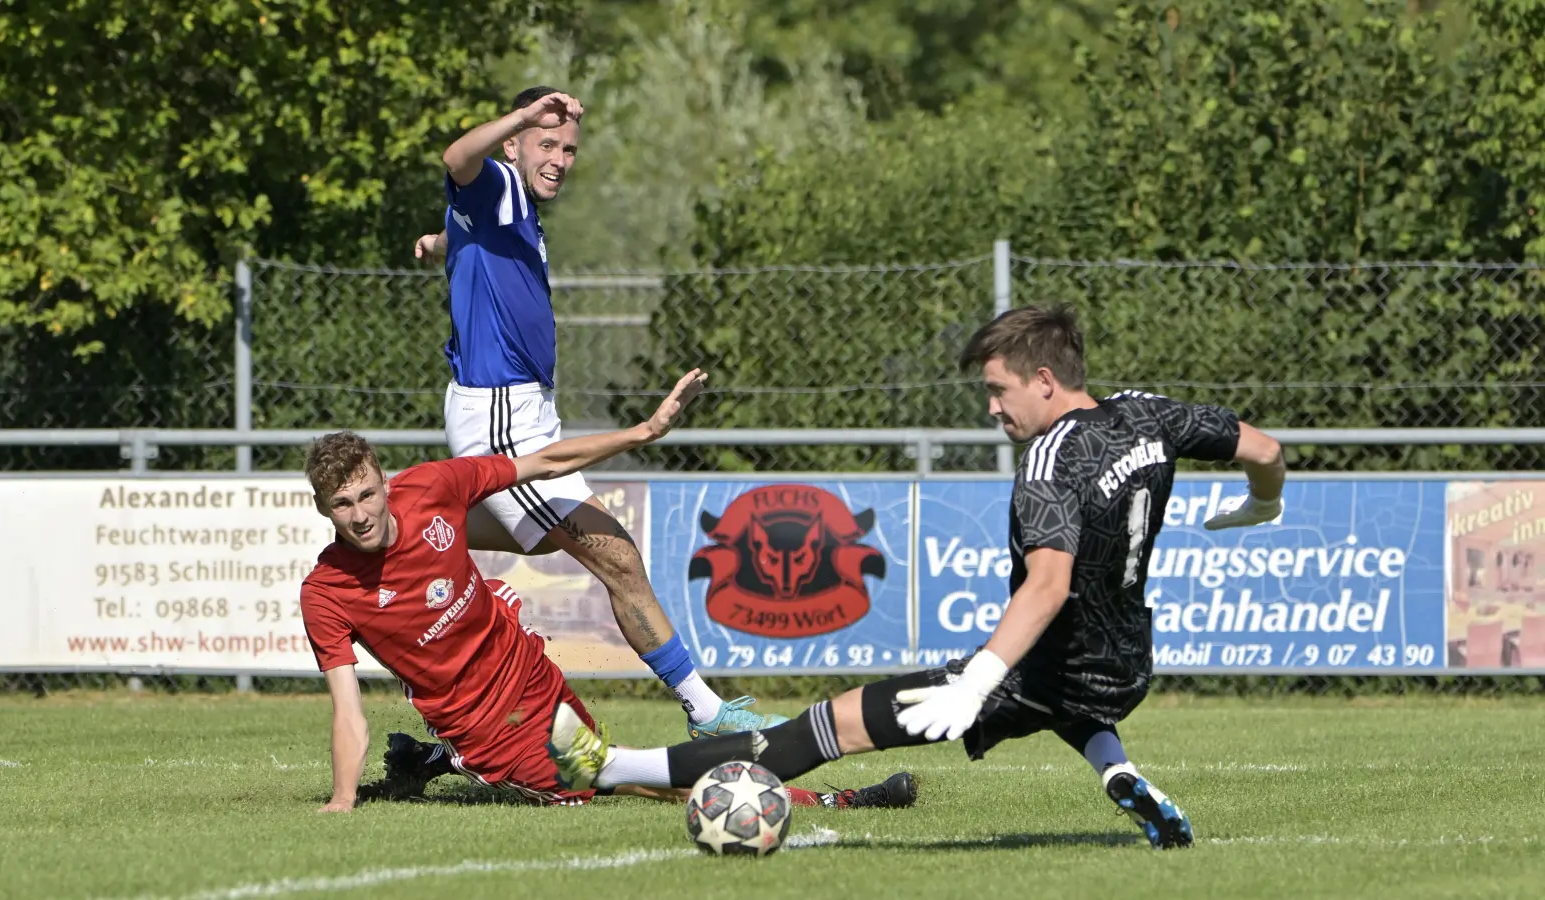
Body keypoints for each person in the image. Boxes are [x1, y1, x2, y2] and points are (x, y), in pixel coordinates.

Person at [547, 305, 1289, 848]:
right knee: (1072, 700)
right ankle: (1118, 775)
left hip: (1035, 665)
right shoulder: (1146, 415)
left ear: (1044, 380)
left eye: (999, 392)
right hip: (1123, 665)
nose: (993, 409)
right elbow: (1263, 446)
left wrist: (973, 683)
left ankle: (607, 766)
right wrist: (1264, 504)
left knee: (824, 728)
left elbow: (1047, 585)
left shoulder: (1048, 463)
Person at [301, 371, 913, 812]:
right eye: (342, 504)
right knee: (630, 775)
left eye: (367, 494)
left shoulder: (433, 487)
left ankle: (423, 760)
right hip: (487, 729)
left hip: (533, 675)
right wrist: (343, 800)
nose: (360, 514)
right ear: (325, 509)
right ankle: (837, 800)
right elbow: (348, 710)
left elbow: (543, 462)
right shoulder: (327, 593)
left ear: (386, 481)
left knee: (614, 770)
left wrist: (643, 431)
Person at [415, 84, 779, 740]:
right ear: (514, 143)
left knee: (443, 532)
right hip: (502, 414)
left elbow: (476, 232)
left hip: (514, 409)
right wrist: (523, 116)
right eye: (545, 143)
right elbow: (455, 158)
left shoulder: (511, 207)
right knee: (617, 556)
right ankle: (707, 713)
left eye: (569, 148)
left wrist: (441, 243)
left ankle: (393, 534)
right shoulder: (496, 180)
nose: (559, 157)